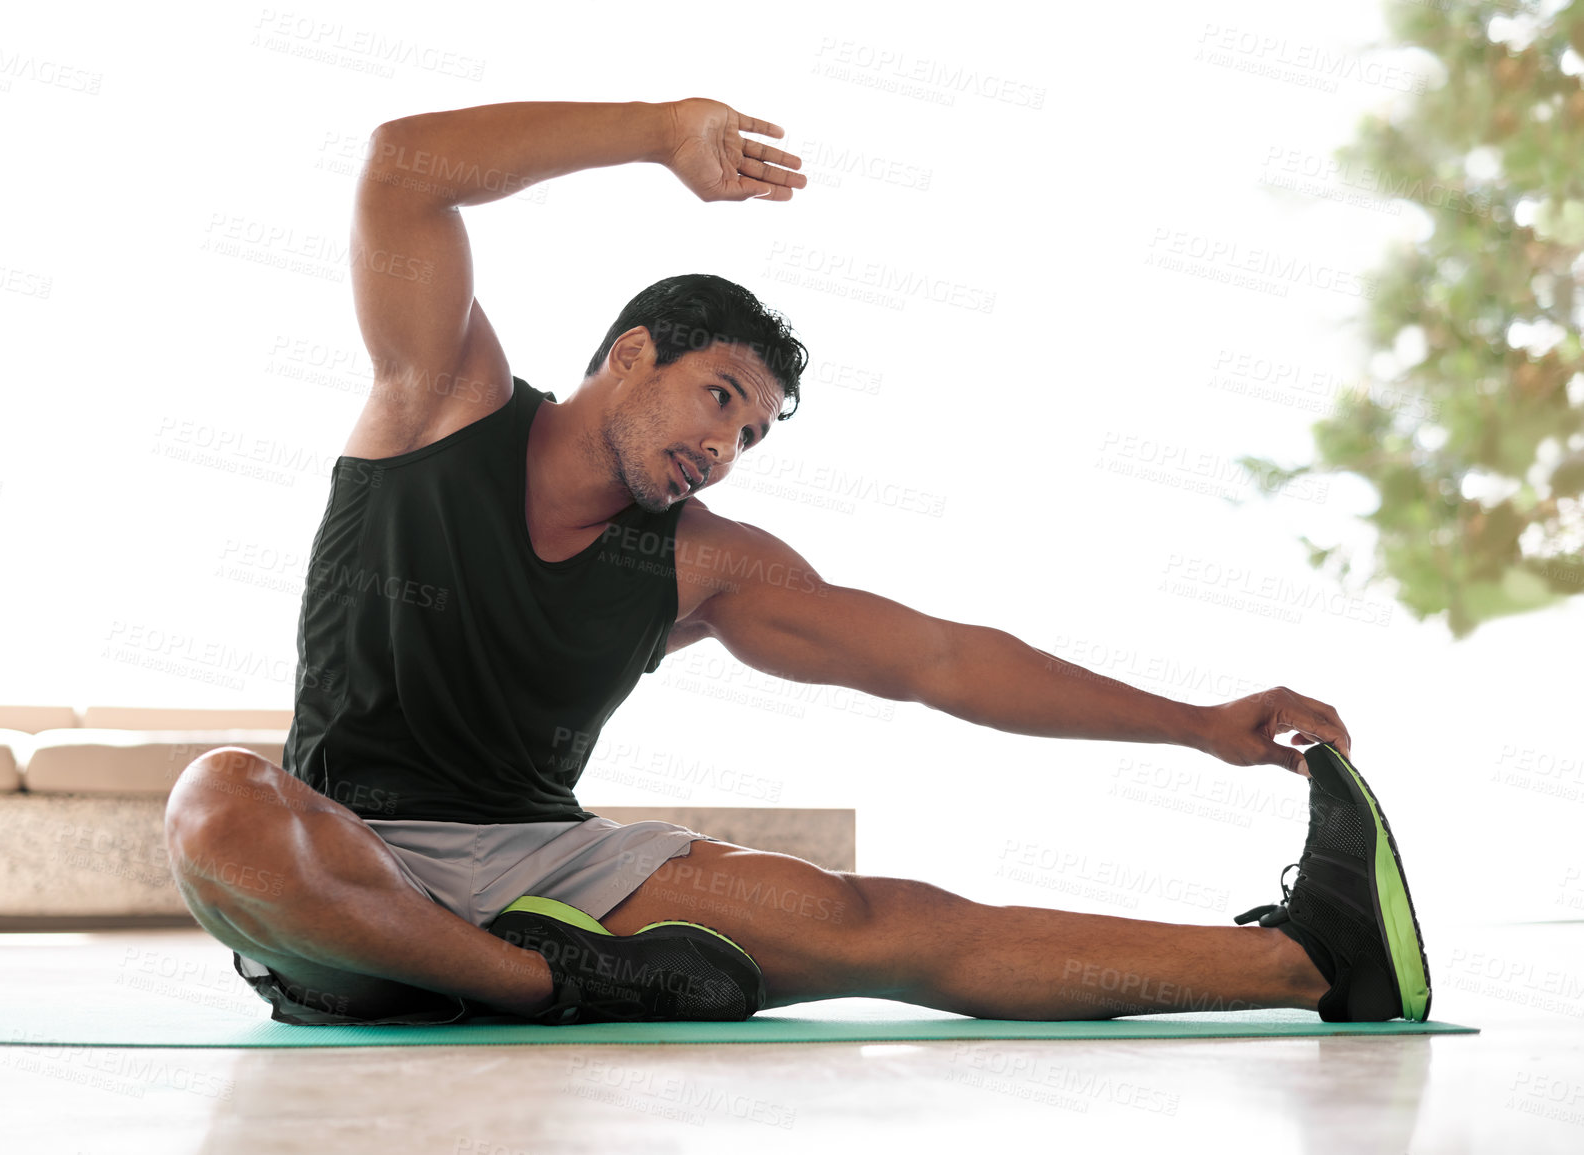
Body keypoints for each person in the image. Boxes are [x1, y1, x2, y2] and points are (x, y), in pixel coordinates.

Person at [163, 97, 1430, 1027]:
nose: (723, 445)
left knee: (882, 924)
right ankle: (540, 985)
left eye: (750, 432)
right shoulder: (439, 398)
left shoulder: (704, 568)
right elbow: (405, 169)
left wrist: (1195, 723)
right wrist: (659, 132)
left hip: (549, 872)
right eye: (715, 397)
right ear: (630, 353)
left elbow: (940, 663)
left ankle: (1311, 963)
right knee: (218, 803)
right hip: (351, 858)